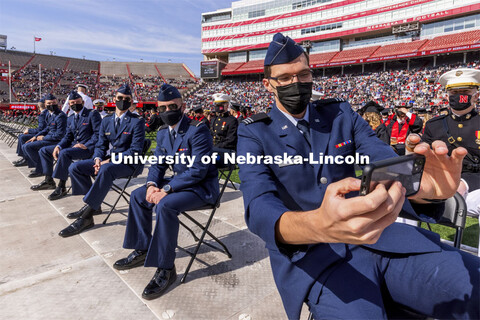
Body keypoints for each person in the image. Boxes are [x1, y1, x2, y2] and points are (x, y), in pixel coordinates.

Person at [237, 33, 479, 320]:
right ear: (268, 85)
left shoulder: (338, 114)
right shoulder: (254, 131)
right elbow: (259, 205)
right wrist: (317, 225)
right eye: (285, 78)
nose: (296, 84)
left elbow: (380, 156)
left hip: (382, 239)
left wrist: (422, 187)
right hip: (317, 260)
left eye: (303, 74)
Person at [113, 84, 219, 300]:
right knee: (137, 195)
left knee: (165, 204)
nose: (167, 111)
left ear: (183, 106)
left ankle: (166, 268)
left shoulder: (197, 130)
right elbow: (157, 165)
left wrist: (167, 189)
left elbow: (198, 170)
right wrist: (152, 184)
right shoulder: (162, 133)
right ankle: (142, 249)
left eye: (172, 106)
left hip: (201, 187)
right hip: (180, 183)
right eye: (162, 108)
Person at [58, 84, 145, 237]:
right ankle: (94, 205)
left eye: (126, 99)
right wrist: (98, 158)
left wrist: (110, 160)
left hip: (129, 163)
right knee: (76, 168)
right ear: (114, 99)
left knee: (106, 169)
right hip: (107, 161)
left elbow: (135, 150)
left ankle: (86, 217)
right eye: (119, 98)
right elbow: (100, 144)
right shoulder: (107, 120)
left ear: (131, 102)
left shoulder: (136, 122)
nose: (122, 101)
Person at [422, 68, 480, 256]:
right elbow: (423, 159)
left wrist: (463, 183)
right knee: (405, 191)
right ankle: (409, 251)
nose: (458, 96)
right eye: (454, 92)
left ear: (475, 95)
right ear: (447, 94)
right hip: (439, 183)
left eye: (464, 92)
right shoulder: (434, 125)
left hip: (475, 187)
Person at [32, 91, 102, 200]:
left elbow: (98, 134)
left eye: (77, 102)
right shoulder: (70, 118)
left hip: (87, 149)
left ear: (82, 102)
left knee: (65, 153)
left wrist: (86, 145)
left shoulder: (91, 114)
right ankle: (48, 180)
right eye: (72, 103)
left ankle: (61, 186)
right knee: (44, 150)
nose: (74, 104)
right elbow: (68, 137)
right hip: (73, 147)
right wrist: (59, 146)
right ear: (69, 105)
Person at [22, 93, 67, 178]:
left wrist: (43, 137)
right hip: (49, 138)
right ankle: (41, 167)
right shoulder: (49, 114)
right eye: (49, 103)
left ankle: (42, 169)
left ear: (57, 103)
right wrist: (36, 136)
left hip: (56, 141)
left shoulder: (60, 116)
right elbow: (47, 129)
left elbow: (60, 135)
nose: (51, 105)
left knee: (29, 147)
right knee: (26, 146)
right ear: (45, 105)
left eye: (53, 103)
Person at [12, 98, 48, 167]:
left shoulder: (43, 114)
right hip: (44, 133)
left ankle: (25, 158)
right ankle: (24, 157)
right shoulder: (46, 113)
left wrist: (29, 130)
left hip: (43, 135)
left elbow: (41, 129)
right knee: (22, 136)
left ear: (38, 106)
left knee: (22, 137)